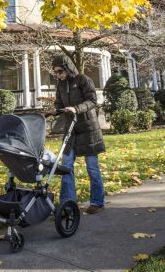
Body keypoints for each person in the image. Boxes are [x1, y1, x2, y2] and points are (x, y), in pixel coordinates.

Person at [45, 55, 106, 214]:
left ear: (67, 68)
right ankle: (68, 204)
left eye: (60, 71)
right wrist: (54, 110)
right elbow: (59, 103)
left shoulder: (83, 80)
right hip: (71, 130)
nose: (58, 75)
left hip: (88, 128)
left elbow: (93, 100)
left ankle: (97, 202)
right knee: (66, 166)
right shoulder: (60, 85)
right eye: (55, 73)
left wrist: (76, 108)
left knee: (92, 167)